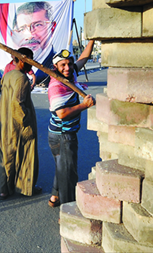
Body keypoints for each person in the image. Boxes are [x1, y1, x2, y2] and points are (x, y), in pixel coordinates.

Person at [0, 47, 41, 199]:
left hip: (5, 121)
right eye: (30, 59)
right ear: (22, 60)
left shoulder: (8, 75)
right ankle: (25, 186)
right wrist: (26, 125)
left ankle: (4, 188)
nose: (32, 63)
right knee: (23, 154)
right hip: (16, 123)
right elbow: (17, 104)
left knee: (6, 153)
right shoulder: (21, 79)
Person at [47, 41, 95, 207]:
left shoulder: (71, 73)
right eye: (63, 65)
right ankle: (68, 210)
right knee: (68, 172)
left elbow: (84, 57)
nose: (67, 68)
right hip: (62, 135)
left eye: (69, 64)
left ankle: (54, 197)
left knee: (61, 166)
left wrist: (92, 39)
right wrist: (84, 105)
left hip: (58, 133)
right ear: (55, 67)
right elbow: (62, 113)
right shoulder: (56, 85)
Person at [12, 1, 57, 84]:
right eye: (22, 29)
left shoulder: (58, 66)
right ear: (13, 34)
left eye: (38, 25)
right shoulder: (10, 68)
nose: (30, 35)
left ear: (52, 27)